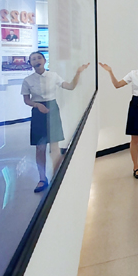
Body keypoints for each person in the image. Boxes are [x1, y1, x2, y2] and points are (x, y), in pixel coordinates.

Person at [21, 52, 90, 193]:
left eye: (39, 58)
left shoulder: (53, 76)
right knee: (40, 147)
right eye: (33, 59)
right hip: (38, 112)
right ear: (30, 63)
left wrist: (78, 73)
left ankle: (56, 175)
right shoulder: (27, 80)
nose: (36, 60)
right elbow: (26, 100)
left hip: (52, 109)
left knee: (54, 145)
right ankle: (42, 179)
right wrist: (37, 105)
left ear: (44, 60)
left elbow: (70, 86)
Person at [99, 51, 138, 180]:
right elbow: (117, 85)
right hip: (135, 104)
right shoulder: (133, 74)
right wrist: (110, 71)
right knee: (135, 137)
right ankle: (136, 167)